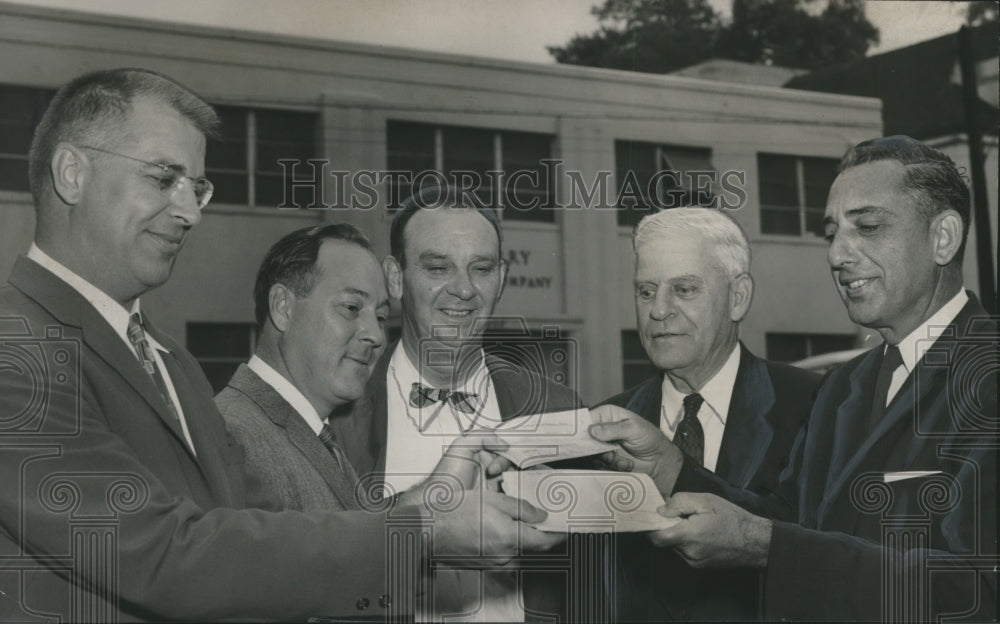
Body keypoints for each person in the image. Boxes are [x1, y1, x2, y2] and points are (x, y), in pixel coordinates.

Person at [0, 68, 560, 622]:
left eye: (196, 188)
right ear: (71, 173)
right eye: (162, 178)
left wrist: (427, 504)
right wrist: (426, 531)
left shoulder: (172, 361)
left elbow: (265, 532)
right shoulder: (14, 353)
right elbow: (165, 554)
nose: (190, 212)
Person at [591, 136, 997, 621]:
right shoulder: (845, 385)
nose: (838, 254)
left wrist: (770, 547)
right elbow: (790, 522)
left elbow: (977, 593)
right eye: (831, 233)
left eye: (867, 227)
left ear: (943, 237)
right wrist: (671, 468)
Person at [336, 185, 583, 622]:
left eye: (481, 269)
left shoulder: (559, 411)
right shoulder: (337, 412)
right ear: (395, 278)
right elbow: (310, 560)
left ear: (501, 278)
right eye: (437, 267)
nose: (464, 290)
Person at [600, 207, 821, 621]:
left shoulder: (816, 406)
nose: (658, 311)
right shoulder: (606, 426)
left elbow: (826, 554)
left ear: (738, 297)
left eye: (684, 289)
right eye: (646, 291)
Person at [216, 223, 390, 511]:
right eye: (351, 308)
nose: (376, 335)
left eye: (381, 317)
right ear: (283, 308)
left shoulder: (322, 435)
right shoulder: (233, 435)